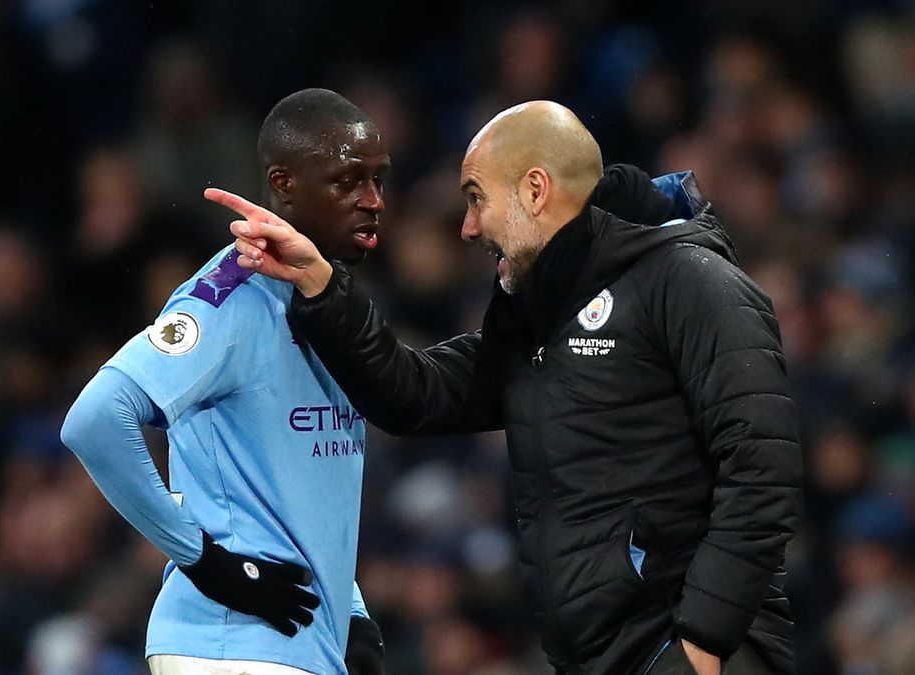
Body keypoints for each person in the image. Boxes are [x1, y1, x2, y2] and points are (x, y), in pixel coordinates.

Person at [218, 101, 803, 675]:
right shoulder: (538, 325)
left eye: (476, 198)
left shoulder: (691, 281)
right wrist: (323, 286)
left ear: (535, 190)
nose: (469, 228)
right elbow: (414, 395)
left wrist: (702, 637)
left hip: (686, 648)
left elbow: (761, 468)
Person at [60, 88, 390, 675]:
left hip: (299, 641)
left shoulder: (328, 305)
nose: (373, 201)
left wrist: (351, 611)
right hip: (233, 643)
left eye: (379, 181)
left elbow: (303, 484)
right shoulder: (230, 297)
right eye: (348, 182)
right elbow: (96, 419)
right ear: (283, 185)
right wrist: (202, 559)